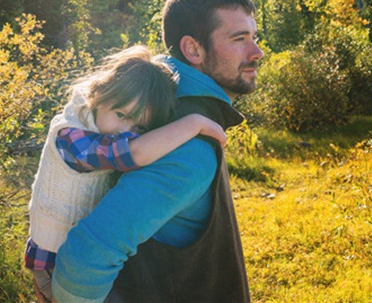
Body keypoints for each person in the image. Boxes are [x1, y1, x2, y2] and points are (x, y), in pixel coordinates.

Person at [52, 0, 264, 303]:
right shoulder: (188, 141)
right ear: (194, 49)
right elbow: (85, 260)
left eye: (254, 37)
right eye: (239, 39)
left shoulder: (156, 100)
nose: (257, 52)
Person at [26, 44, 228, 303]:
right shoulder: (71, 137)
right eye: (121, 114)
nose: (125, 131)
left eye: (139, 127)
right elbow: (136, 153)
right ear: (98, 95)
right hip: (54, 264)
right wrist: (194, 123)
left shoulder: (96, 123)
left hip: (69, 255)